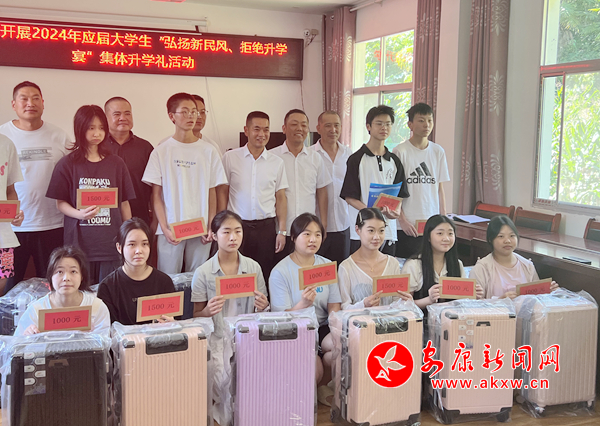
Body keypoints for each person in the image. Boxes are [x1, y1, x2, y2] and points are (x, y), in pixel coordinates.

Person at [46, 105, 135, 283]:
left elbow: (124, 203)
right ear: (80, 129)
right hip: (78, 245)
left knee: (109, 293)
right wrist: (79, 214)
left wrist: (129, 236)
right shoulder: (67, 164)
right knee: (82, 293)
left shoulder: (116, 163)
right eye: (91, 128)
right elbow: (60, 203)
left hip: (111, 244)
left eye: (101, 128)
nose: (97, 133)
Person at [142, 93, 227, 274]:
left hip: (201, 229)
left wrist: (211, 225)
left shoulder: (209, 151)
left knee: (197, 278)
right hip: (171, 229)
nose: (191, 116)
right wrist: (164, 228)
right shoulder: (161, 151)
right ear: (172, 116)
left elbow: (212, 192)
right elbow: (156, 195)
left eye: (194, 112)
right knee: (169, 278)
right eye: (185, 111)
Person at [0, 81, 69, 291]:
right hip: (11, 230)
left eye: (35, 98)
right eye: (24, 98)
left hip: (52, 226)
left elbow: (72, 176)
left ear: (43, 103)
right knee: (8, 286)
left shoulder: (59, 136)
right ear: (13, 104)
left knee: (51, 287)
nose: (30, 103)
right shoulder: (3, 137)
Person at [269, 213, 342, 387]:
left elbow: (334, 304)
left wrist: (335, 328)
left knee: (341, 348)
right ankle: (317, 386)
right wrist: (303, 305)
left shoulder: (326, 266)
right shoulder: (280, 272)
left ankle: (328, 389)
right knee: (313, 372)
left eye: (317, 234)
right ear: (294, 237)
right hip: (297, 328)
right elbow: (280, 317)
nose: (313, 239)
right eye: (307, 234)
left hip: (323, 325)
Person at [222, 111, 288, 282]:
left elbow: (281, 197)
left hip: (266, 228)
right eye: (256, 129)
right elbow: (222, 192)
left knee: (263, 274)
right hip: (237, 226)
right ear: (246, 130)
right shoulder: (230, 158)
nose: (262, 134)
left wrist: (282, 231)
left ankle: (261, 300)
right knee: (235, 273)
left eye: (266, 129)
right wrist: (220, 225)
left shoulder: (277, 162)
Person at [340, 105, 410, 256]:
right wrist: (370, 212)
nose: (384, 127)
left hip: (388, 231)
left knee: (386, 268)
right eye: (379, 123)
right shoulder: (356, 159)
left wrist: (396, 212)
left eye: (388, 124)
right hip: (362, 230)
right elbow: (349, 196)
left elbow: (399, 195)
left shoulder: (395, 161)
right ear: (368, 127)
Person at [191, 210, 269, 337]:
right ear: (214, 236)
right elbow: (196, 316)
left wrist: (263, 306)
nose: (233, 238)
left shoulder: (254, 267)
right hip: (217, 339)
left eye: (238, 231)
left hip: (248, 336)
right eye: (226, 232)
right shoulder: (203, 272)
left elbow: (263, 309)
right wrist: (207, 312)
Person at [270, 109, 331, 258]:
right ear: (284, 128)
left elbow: (322, 191)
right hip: (280, 230)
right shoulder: (272, 157)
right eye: (294, 124)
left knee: (307, 269)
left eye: (304, 125)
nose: (299, 129)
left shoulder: (315, 158)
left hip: (308, 231)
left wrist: (323, 224)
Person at [393, 103, 450, 259]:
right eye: (421, 120)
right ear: (410, 124)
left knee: (430, 265)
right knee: (408, 266)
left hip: (432, 224)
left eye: (430, 120)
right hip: (407, 225)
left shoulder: (438, 151)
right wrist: (402, 220)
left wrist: (444, 219)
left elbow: (440, 189)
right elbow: (395, 191)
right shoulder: (400, 151)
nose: (426, 125)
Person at [14, 246, 111, 336]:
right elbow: (17, 344)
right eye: (59, 272)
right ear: (51, 276)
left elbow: (104, 344)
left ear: (82, 276)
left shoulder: (97, 307)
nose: (66, 278)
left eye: (73, 271)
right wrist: (27, 338)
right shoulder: (36, 310)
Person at [97, 218, 175, 325]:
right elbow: (107, 328)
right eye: (132, 244)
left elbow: (175, 320)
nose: (139, 251)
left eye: (144, 244)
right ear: (119, 247)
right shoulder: (108, 286)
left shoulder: (164, 282)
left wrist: (172, 323)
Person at [401, 215, 482, 314]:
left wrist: (472, 296)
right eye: (440, 233)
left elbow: (460, 302)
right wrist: (429, 300)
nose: (446, 238)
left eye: (450, 234)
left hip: (450, 320)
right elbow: (404, 304)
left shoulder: (457, 264)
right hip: (421, 320)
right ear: (428, 237)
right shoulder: (414, 265)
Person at [338, 208, 414, 310]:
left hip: (389, 319)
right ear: (357, 230)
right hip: (359, 320)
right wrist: (363, 305)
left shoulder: (393, 263)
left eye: (381, 231)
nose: (376, 237)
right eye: (371, 231)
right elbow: (343, 307)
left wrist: (405, 302)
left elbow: (397, 301)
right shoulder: (346, 267)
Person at [469, 215, 559, 299]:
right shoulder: (481, 268)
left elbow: (536, 299)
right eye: (501, 236)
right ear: (490, 239)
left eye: (512, 236)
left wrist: (547, 291)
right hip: (495, 312)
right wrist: (500, 300)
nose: (507, 241)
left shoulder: (527, 266)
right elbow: (472, 304)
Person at [103, 97, 155, 229]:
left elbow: (155, 188)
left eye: (127, 113)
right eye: (117, 114)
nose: (123, 118)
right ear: (105, 118)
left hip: (140, 218)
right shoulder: (98, 147)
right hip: (105, 219)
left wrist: (155, 219)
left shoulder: (145, 148)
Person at [311, 111, 352, 265]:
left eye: (337, 125)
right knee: (317, 270)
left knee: (341, 269)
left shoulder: (348, 154)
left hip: (343, 223)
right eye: (328, 125)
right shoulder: (310, 155)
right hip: (317, 226)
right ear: (318, 128)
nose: (333, 130)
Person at [191, 94, 227, 213]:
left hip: (206, 213)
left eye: (203, 112)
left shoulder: (212, 147)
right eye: (195, 112)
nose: (200, 116)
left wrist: (220, 217)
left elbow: (220, 186)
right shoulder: (166, 145)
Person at [0, 134, 25, 295]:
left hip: (4, 237)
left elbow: (10, 190)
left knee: (2, 286)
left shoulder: (6, 144)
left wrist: (14, 214)